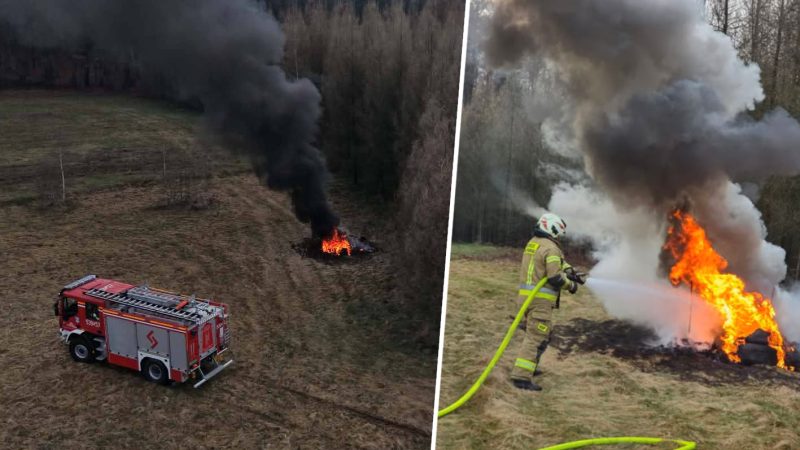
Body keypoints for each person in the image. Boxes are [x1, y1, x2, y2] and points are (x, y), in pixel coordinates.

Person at [510, 212, 584, 391]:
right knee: (535, 337)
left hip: (526, 299)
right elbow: (555, 277)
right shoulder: (551, 247)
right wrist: (571, 285)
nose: (560, 236)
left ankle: (530, 367)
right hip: (540, 302)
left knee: (542, 335)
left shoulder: (534, 243)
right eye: (559, 231)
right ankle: (521, 377)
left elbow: (556, 264)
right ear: (552, 228)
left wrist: (571, 271)